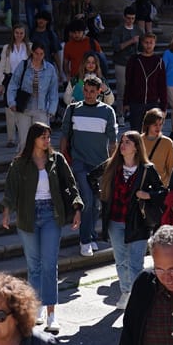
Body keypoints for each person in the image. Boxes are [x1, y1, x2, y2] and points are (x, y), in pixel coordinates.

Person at [1, 121, 82, 332]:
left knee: (49, 265)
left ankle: (52, 314)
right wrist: (7, 210)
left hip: (51, 214)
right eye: (43, 137)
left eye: (48, 136)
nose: (47, 140)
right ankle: (36, 308)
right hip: (28, 215)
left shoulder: (57, 159)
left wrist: (77, 207)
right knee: (34, 265)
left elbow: (71, 185)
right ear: (33, 139)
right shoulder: (20, 163)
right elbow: (11, 188)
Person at [96, 129, 164, 310]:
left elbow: (162, 192)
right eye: (122, 141)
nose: (122, 145)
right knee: (121, 260)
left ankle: (136, 297)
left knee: (136, 263)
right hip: (115, 221)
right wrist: (103, 194)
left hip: (139, 222)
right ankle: (126, 292)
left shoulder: (146, 169)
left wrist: (147, 195)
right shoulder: (113, 166)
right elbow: (91, 177)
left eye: (127, 142)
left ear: (136, 147)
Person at [61, 75, 117, 258]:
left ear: (99, 91)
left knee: (96, 204)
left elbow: (113, 143)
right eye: (86, 90)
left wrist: (113, 164)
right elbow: (64, 137)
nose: (89, 94)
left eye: (92, 91)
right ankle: (84, 240)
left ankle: (92, 234)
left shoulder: (108, 111)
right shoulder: (73, 109)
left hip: (100, 165)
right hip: (79, 162)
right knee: (87, 199)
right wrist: (64, 161)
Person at [6, 43, 61, 151]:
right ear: (32, 52)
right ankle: (24, 164)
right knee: (24, 140)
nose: (39, 56)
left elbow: (53, 91)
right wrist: (11, 102)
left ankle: (39, 165)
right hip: (24, 106)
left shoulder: (50, 69)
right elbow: (13, 84)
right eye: (36, 53)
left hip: (41, 107)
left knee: (41, 139)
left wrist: (52, 109)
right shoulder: (23, 65)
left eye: (41, 54)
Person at [0, 24, 31, 148]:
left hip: (24, 80)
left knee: (23, 108)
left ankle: (25, 137)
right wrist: (0, 83)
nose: (19, 35)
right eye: (17, 33)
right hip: (10, 79)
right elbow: (1, 67)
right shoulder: (7, 48)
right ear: (13, 33)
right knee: (9, 109)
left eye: (21, 33)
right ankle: (11, 138)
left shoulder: (29, 47)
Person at [124, 32, 167, 133]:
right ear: (142, 43)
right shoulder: (134, 60)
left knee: (152, 133)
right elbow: (128, 82)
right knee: (136, 133)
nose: (148, 45)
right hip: (136, 103)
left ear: (154, 44)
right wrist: (126, 102)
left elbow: (162, 85)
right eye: (146, 42)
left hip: (153, 103)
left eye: (151, 42)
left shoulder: (159, 61)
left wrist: (163, 106)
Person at [140, 107, 173, 185]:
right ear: (148, 124)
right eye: (155, 125)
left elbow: (171, 168)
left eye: (160, 124)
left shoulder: (167, 142)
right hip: (142, 184)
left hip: (161, 185)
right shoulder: (139, 140)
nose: (158, 127)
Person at [111, 6, 141, 93]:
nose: (130, 21)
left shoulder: (137, 29)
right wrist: (131, 41)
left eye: (133, 18)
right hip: (121, 63)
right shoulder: (118, 30)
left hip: (134, 63)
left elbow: (142, 46)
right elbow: (116, 47)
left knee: (134, 91)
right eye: (128, 18)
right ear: (124, 17)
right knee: (122, 91)